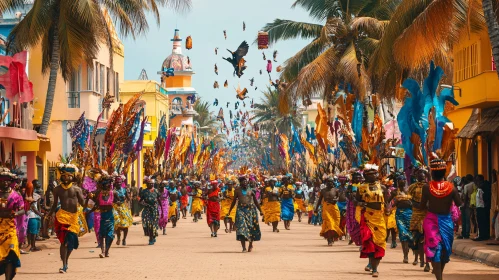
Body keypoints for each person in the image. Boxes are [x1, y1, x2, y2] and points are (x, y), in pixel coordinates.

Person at [420, 156, 462, 280]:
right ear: (445, 172)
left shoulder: (426, 187)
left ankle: (439, 276)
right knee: (443, 248)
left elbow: (422, 206)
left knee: (435, 248)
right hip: (447, 221)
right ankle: (440, 276)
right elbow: (459, 203)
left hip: (431, 220)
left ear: (432, 173)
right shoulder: (452, 188)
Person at [48, 163, 85, 273]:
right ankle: (64, 265)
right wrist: (49, 214)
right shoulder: (57, 189)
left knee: (72, 243)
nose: (65, 178)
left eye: (68, 176)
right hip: (62, 217)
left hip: (73, 218)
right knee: (64, 242)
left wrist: (90, 201)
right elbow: (54, 205)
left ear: (72, 176)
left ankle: (66, 260)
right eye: (63, 175)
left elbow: (83, 203)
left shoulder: (77, 189)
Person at [356, 165, 387, 278]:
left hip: (379, 218)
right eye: (370, 174)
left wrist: (388, 210)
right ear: (365, 176)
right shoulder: (362, 188)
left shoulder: (383, 187)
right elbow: (356, 201)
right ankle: (374, 269)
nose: (373, 176)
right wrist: (359, 203)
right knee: (369, 241)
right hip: (367, 217)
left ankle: (374, 265)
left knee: (380, 242)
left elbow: (386, 203)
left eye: (374, 174)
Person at [0, 167, 25, 280]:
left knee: (11, 255)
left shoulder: (16, 195)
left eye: (7, 180)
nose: (5, 182)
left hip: (10, 229)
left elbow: (22, 210)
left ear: (10, 182)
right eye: (2, 180)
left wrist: (15, 214)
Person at [228, 176, 262, 252]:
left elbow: (256, 201)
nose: (245, 183)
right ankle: (243, 247)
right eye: (243, 182)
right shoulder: (237, 190)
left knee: (251, 227)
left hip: (251, 210)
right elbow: (233, 201)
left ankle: (250, 244)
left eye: (246, 182)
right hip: (241, 209)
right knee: (241, 227)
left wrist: (260, 210)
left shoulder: (252, 190)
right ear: (240, 183)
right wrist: (229, 210)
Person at [89, 173, 118, 258]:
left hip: (110, 217)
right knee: (101, 235)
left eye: (107, 184)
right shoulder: (99, 193)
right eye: (104, 184)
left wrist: (118, 203)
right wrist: (89, 211)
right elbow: (97, 205)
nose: (106, 186)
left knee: (110, 235)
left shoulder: (113, 193)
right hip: (102, 217)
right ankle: (102, 251)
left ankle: (106, 251)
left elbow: (119, 201)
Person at [408, 166, 430, 271]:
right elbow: (409, 199)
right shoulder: (412, 187)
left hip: (428, 215)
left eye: (423, 173)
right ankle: (422, 260)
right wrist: (418, 204)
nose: (421, 175)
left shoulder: (430, 186)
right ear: (416, 175)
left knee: (429, 240)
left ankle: (428, 262)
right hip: (416, 215)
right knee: (419, 239)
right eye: (419, 173)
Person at [389, 172, 413, 263]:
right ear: (397, 182)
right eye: (399, 180)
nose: (401, 181)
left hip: (410, 214)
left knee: (411, 235)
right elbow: (387, 201)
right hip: (399, 215)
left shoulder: (410, 190)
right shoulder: (395, 191)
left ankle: (413, 251)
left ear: (405, 181)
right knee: (403, 235)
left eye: (403, 180)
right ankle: (405, 256)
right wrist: (389, 207)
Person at [315, 177, 343, 246]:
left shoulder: (336, 190)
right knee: (329, 223)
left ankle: (333, 237)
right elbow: (319, 200)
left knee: (335, 222)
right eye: (328, 182)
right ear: (326, 183)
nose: (330, 183)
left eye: (331, 182)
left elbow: (338, 197)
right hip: (326, 208)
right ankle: (329, 239)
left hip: (334, 208)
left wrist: (336, 199)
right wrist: (316, 208)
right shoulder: (323, 191)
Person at [140, 179, 163, 245]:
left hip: (154, 210)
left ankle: (153, 237)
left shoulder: (156, 191)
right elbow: (140, 201)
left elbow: (159, 200)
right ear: (147, 184)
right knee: (148, 224)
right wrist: (145, 204)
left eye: (152, 183)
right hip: (147, 210)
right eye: (149, 183)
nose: (151, 185)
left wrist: (161, 210)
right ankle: (151, 237)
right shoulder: (144, 191)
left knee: (153, 225)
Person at [113, 174, 133, 246]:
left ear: (122, 183)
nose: (118, 184)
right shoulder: (113, 191)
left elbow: (128, 199)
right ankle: (118, 238)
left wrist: (128, 201)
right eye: (117, 182)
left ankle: (124, 239)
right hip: (115, 208)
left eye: (120, 182)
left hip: (123, 208)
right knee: (118, 224)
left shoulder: (124, 190)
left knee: (125, 225)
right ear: (115, 183)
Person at [26, 181, 42, 252]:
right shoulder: (27, 197)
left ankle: (32, 245)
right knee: (32, 233)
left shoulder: (35, 195)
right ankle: (31, 246)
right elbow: (34, 208)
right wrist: (40, 214)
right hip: (31, 216)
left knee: (33, 232)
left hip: (34, 216)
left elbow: (37, 206)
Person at [346, 171, 362, 246]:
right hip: (352, 206)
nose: (357, 179)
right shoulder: (350, 186)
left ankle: (361, 240)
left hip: (360, 206)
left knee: (360, 222)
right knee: (353, 222)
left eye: (359, 178)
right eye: (356, 178)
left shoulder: (362, 186)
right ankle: (354, 237)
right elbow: (346, 193)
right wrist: (351, 196)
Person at [474, 174, 491, 241]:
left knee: (483, 222)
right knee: (480, 222)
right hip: (479, 207)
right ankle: (482, 235)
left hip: (482, 207)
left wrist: (485, 205)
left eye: (477, 180)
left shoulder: (483, 188)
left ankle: (483, 235)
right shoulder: (479, 188)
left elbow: (485, 198)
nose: (476, 182)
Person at [459, 174, 475, 239]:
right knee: (469, 219)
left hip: (466, 204)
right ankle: (467, 233)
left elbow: (465, 197)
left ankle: (465, 234)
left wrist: (464, 205)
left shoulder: (466, 186)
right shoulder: (475, 184)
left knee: (465, 219)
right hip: (473, 203)